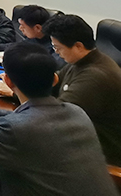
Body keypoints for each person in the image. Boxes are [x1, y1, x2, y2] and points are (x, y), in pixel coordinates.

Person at [0, 42, 117, 196]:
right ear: (55, 79)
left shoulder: (16, 128)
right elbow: (38, 119)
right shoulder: (77, 112)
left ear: (7, 81)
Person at [42, 14, 121, 166]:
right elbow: (53, 82)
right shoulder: (81, 62)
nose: (56, 52)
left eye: (58, 47)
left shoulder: (95, 76)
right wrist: (17, 89)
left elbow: (56, 116)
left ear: (78, 46)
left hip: (102, 158)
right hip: (79, 142)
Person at [0, 5, 65, 68]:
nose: (20, 28)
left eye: (23, 26)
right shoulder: (33, 38)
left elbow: (54, 64)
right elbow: (17, 46)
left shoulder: (55, 43)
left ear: (37, 28)